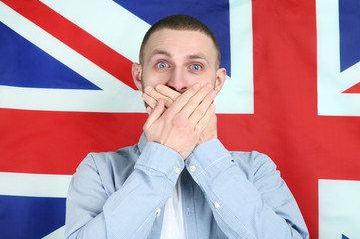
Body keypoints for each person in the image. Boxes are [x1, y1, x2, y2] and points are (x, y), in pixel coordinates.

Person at [65, 15, 309, 239]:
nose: (177, 83)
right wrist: (163, 154)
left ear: (217, 82)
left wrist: (206, 150)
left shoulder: (256, 169)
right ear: (139, 77)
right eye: (162, 64)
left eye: (195, 67)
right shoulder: (99, 170)